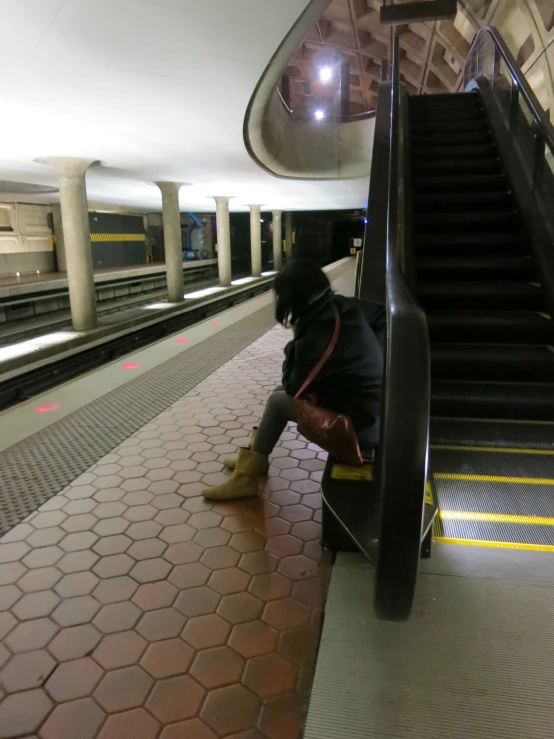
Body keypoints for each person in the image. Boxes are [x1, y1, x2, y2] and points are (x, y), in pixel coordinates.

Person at [202, 259, 385, 501]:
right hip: (371, 413)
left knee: (278, 402)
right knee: (277, 394)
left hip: (356, 435)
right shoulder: (342, 306)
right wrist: (376, 356)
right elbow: (382, 316)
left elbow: (293, 386)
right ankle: (257, 458)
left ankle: (245, 479)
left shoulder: (315, 333)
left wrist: (294, 342)